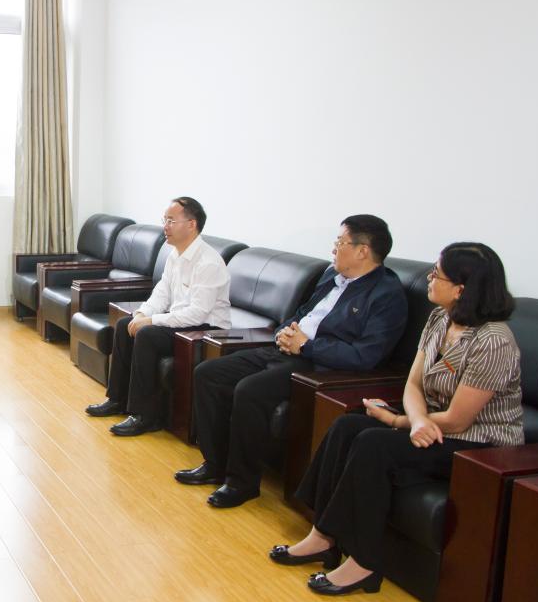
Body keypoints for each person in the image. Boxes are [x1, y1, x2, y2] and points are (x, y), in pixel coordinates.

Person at [271, 243, 521, 596]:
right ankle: (322, 537)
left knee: (374, 444)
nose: (429, 279)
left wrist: (397, 422)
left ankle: (365, 563)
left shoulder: (494, 341)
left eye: (437, 274)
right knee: (347, 426)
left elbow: (458, 420)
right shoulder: (439, 318)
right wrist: (414, 420)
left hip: (479, 446)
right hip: (429, 425)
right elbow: (414, 384)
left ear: (461, 289)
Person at [175, 215, 409, 508]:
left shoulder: (387, 295)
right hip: (287, 350)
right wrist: (284, 332)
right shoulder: (331, 276)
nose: (333, 248)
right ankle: (215, 464)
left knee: (250, 390)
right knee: (208, 373)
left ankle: (241, 483)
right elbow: (302, 313)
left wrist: (307, 346)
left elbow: (366, 355)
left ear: (363, 251)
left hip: (319, 367)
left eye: (340, 242)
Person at [85, 197, 232, 435]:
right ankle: (117, 400)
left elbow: (197, 314)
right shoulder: (175, 255)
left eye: (171, 221)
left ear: (191, 224)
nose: (165, 226)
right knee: (125, 324)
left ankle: (145, 416)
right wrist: (142, 313)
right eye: (165, 220)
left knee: (148, 334)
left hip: (207, 330)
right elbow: (161, 294)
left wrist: (151, 321)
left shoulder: (208, 262)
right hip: (183, 322)